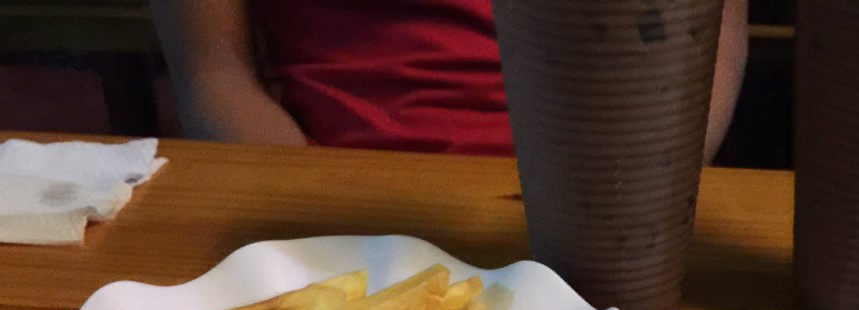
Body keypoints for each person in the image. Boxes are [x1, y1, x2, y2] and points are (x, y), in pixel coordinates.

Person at [149, 0, 749, 163]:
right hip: (323, 183)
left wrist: (627, 214)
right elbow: (212, 73)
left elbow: (709, 46)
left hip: (599, 192)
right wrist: (310, 210)